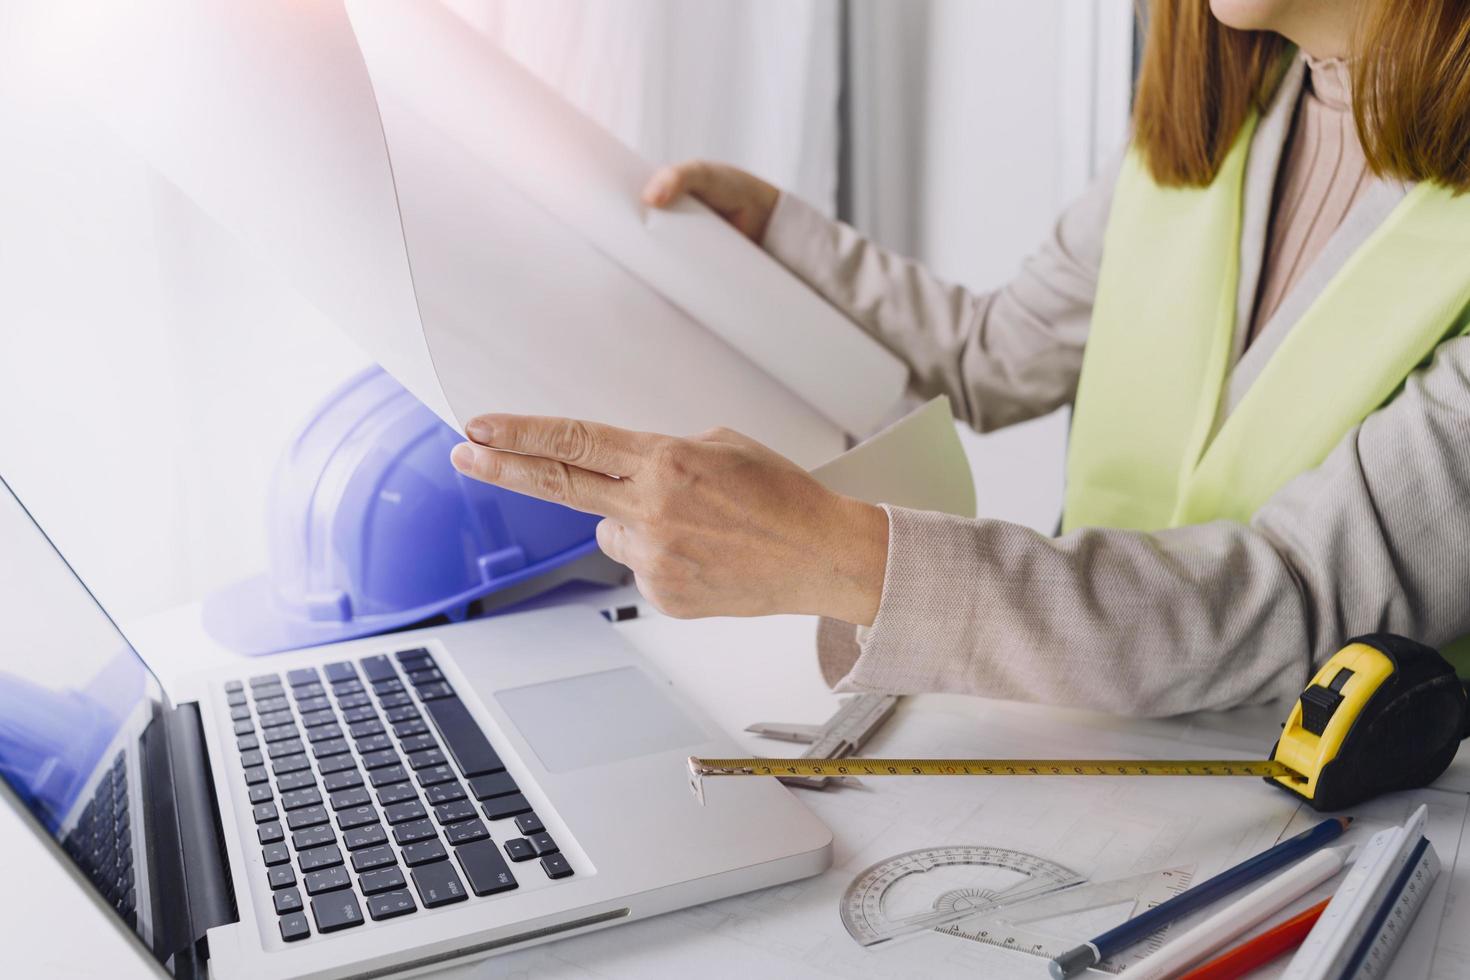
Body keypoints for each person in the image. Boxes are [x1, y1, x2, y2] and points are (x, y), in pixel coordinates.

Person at [450, 0, 1470, 716]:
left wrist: (840, 554)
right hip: (1096, 755)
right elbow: (991, 354)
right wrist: (772, 241)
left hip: (1332, 836)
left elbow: (1284, 601)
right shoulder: (1225, 124)